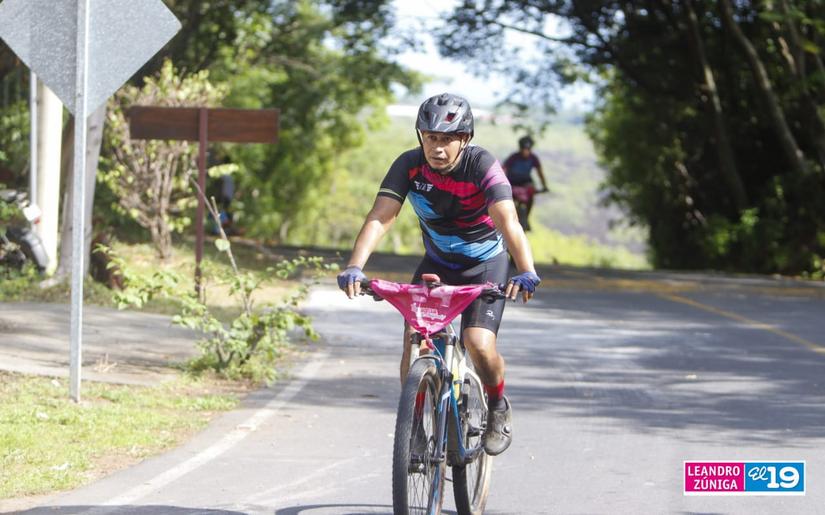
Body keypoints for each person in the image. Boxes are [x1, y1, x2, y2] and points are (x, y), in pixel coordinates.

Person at [336, 93, 542, 456]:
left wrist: (526, 270)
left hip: (485, 265)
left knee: (478, 344)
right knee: (413, 337)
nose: (438, 147)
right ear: (420, 138)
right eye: (430, 137)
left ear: (465, 139)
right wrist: (355, 266)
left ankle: (496, 405)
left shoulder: (483, 166)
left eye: (447, 139)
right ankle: (413, 426)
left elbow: (508, 221)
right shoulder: (409, 165)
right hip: (438, 264)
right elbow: (381, 217)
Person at [503, 135, 549, 230]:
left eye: (528, 149)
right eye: (524, 148)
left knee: (531, 192)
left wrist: (544, 185)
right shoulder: (513, 157)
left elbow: (540, 173)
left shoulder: (533, 158)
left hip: (526, 183)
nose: (526, 151)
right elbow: (504, 169)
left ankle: (526, 218)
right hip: (512, 183)